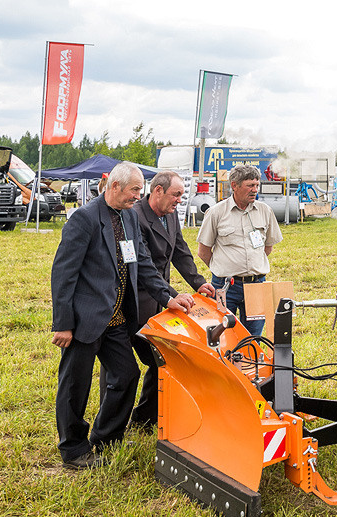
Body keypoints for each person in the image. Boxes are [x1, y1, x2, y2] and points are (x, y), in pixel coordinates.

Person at [51, 162, 195, 470]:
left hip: (117, 319)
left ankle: (106, 437)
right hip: (84, 320)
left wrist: (168, 297)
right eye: (134, 191)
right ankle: (74, 449)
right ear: (114, 186)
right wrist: (63, 324)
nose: (137, 197)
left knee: (126, 374)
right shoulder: (84, 219)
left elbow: (143, 264)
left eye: (140, 191)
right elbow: (63, 274)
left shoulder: (129, 217)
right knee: (75, 385)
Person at [130, 170, 215, 429]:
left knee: (163, 359)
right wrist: (172, 294)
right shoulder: (136, 217)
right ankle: (131, 418)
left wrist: (199, 283)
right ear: (157, 191)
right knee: (149, 360)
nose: (179, 200)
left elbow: (180, 251)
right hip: (139, 298)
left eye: (181, 195)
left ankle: (146, 417)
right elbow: (144, 267)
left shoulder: (170, 214)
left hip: (162, 297)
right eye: (175, 195)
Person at [197, 164, 283, 337]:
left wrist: (251, 267)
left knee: (253, 336)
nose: (254, 190)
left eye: (256, 185)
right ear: (234, 185)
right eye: (250, 185)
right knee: (223, 335)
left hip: (257, 284)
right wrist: (224, 269)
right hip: (225, 286)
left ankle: (250, 364)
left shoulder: (265, 211)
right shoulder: (216, 213)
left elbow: (268, 247)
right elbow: (203, 251)